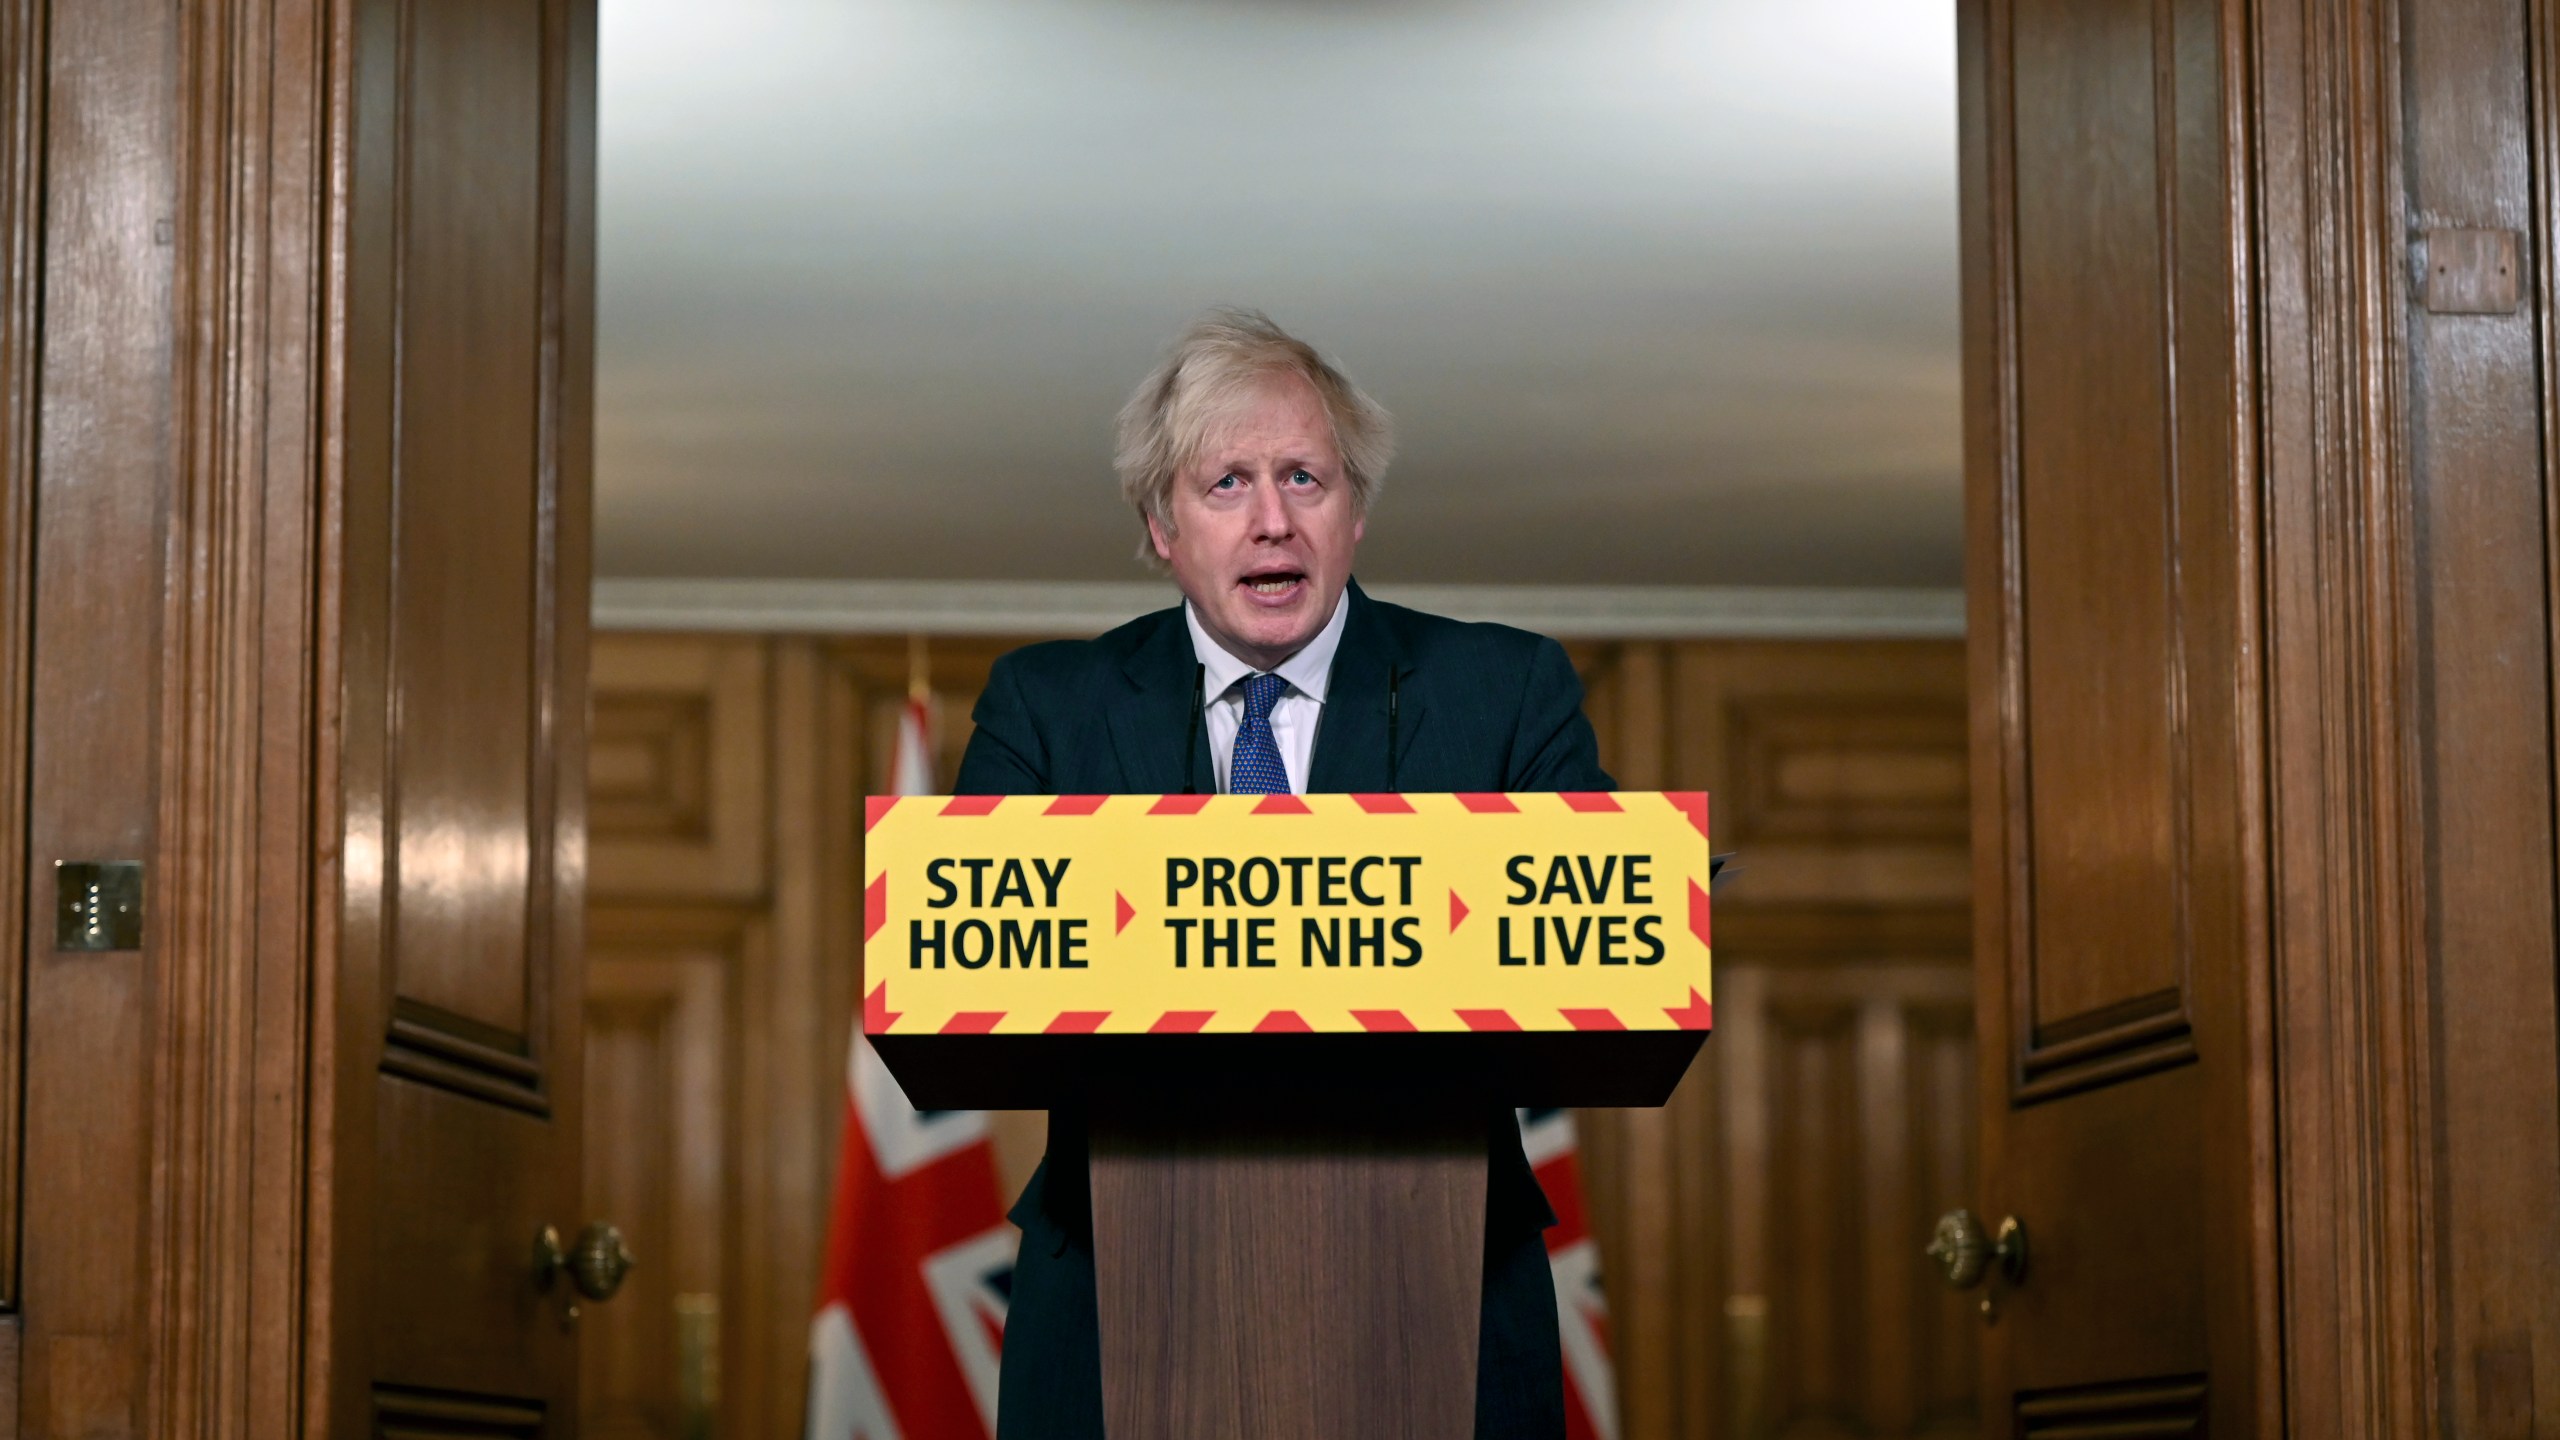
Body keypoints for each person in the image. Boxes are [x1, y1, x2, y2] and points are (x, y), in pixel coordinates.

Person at [954, 308, 1611, 1440]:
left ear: (1356, 512)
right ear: (1160, 524)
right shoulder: (1044, 712)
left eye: (1305, 478)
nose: (1273, 521)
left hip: (1440, 1278)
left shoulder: (1505, 695)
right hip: (1117, 1286)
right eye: (1227, 485)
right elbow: (962, 963)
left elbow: (1602, 946)